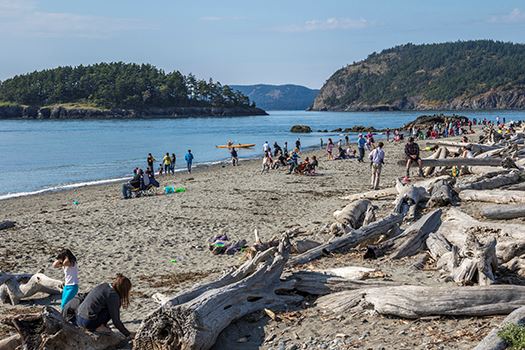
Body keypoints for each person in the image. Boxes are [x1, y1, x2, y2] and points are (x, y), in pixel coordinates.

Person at [76, 274, 132, 338]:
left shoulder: (104, 285)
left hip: (78, 317)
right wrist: (127, 334)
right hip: (88, 322)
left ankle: (101, 325)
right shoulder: (113, 295)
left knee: (104, 305)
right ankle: (98, 327)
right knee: (112, 309)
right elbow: (116, 321)